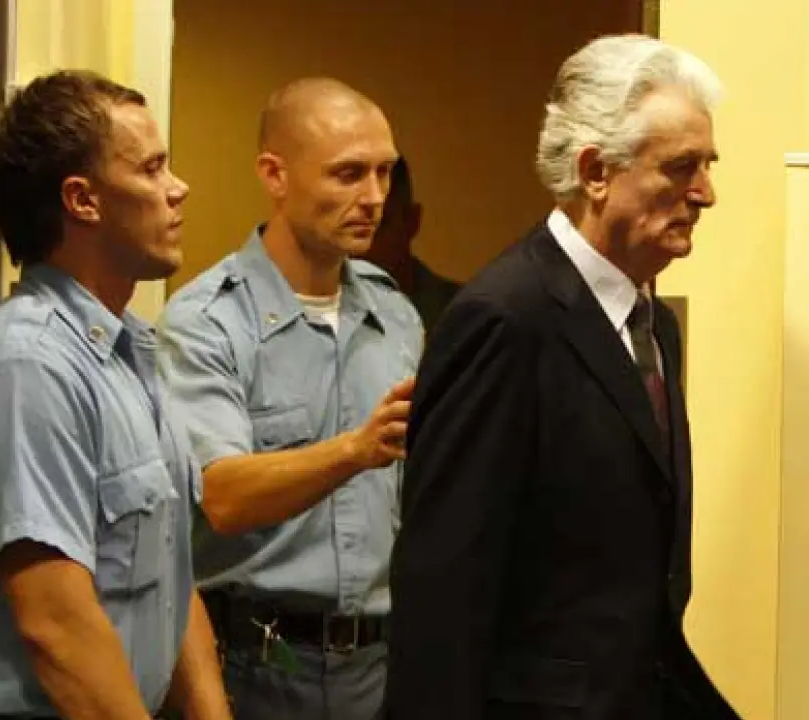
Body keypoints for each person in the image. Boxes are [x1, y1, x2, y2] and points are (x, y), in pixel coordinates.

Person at [387, 35, 741, 719]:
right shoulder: (505, 319)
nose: (706, 193)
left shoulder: (653, 324)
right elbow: (443, 591)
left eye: (708, 165)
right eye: (681, 168)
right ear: (595, 171)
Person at [0, 69, 229, 720]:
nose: (177, 189)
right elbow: (57, 629)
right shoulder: (25, 367)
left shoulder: (127, 354)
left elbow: (169, 585)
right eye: (151, 169)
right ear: (82, 200)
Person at [158, 77, 422, 719]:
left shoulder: (394, 312)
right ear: (275, 175)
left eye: (385, 172)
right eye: (348, 174)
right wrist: (355, 451)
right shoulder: (208, 322)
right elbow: (221, 495)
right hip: (258, 667)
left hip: (379, 667)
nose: (374, 198)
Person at [357, 156, 461, 332]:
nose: (356, 245)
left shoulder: (462, 317)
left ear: (412, 222)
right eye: (346, 225)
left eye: (377, 225)